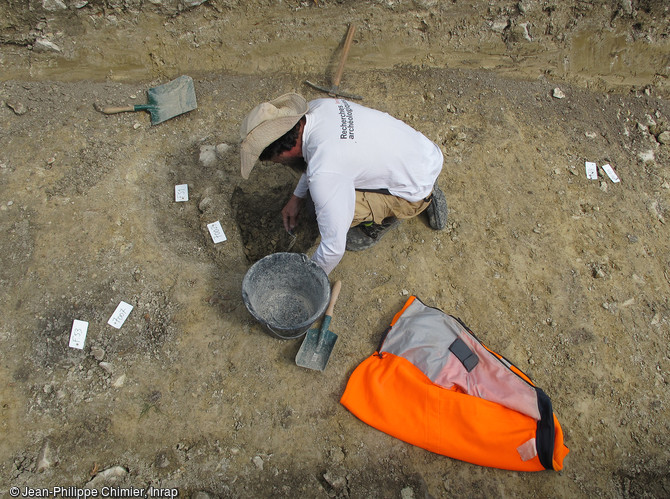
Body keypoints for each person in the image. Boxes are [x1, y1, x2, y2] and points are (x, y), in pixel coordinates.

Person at [239, 93, 448, 275]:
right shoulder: (318, 107)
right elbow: (317, 159)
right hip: (423, 153)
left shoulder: (325, 170)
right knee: (320, 193)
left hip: (413, 186)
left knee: (333, 222)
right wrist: (296, 197)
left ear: (284, 151)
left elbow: (333, 249)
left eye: (278, 162)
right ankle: (421, 185)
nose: (281, 165)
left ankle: (402, 211)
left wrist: (305, 279)